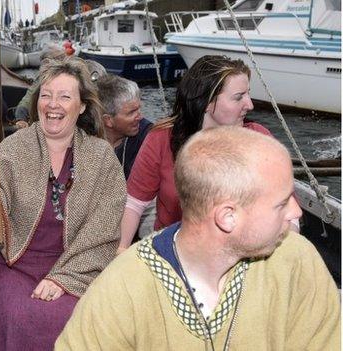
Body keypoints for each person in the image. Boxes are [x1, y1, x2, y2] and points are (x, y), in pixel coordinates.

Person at [56, 126, 341, 350]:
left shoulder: (296, 260)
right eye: (281, 203)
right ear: (227, 217)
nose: (296, 211)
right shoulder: (123, 288)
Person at [0, 57, 125, 350]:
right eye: (46, 96)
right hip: (11, 267)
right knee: (18, 314)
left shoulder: (101, 158)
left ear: (82, 106)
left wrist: (63, 279)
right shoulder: (11, 150)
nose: (53, 104)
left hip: (77, 268)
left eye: (64, 96)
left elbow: (104, 230)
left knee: (83, 317)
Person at [118, 55, 272, 252]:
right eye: (238, 97)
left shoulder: (259, 138)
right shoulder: (162, 138)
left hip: (242, 254)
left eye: (248, 94)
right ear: (207, 102)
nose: (250, 105)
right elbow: (134, 203)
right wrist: (121, 251)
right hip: (174, 252)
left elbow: (286, 208)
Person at [97, 74, 152, 179]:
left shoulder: (148, 137)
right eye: (132, 112)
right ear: (108, 120)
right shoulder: (83, 142)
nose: (140, 117)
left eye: (139, 109)